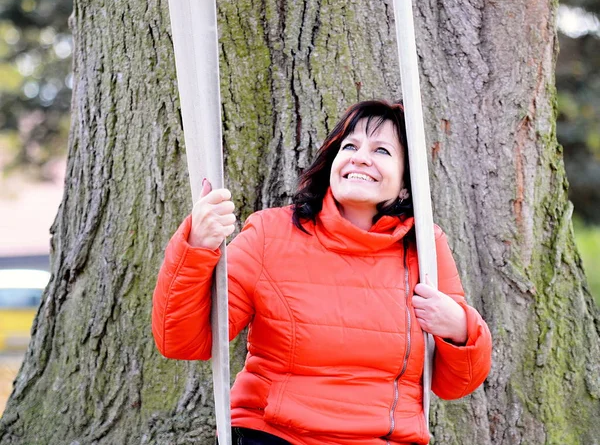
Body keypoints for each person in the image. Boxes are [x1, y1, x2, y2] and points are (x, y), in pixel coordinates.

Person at [152, 100, 492, 445]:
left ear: (406, 183)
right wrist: (195, 245)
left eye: (382, 150)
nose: (360, 157)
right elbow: (183, 341)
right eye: (350, 146)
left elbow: (455, 384)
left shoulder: (424, 248)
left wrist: (461, 328)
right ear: (334, 163)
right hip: (277, 435)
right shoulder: (271, 234)